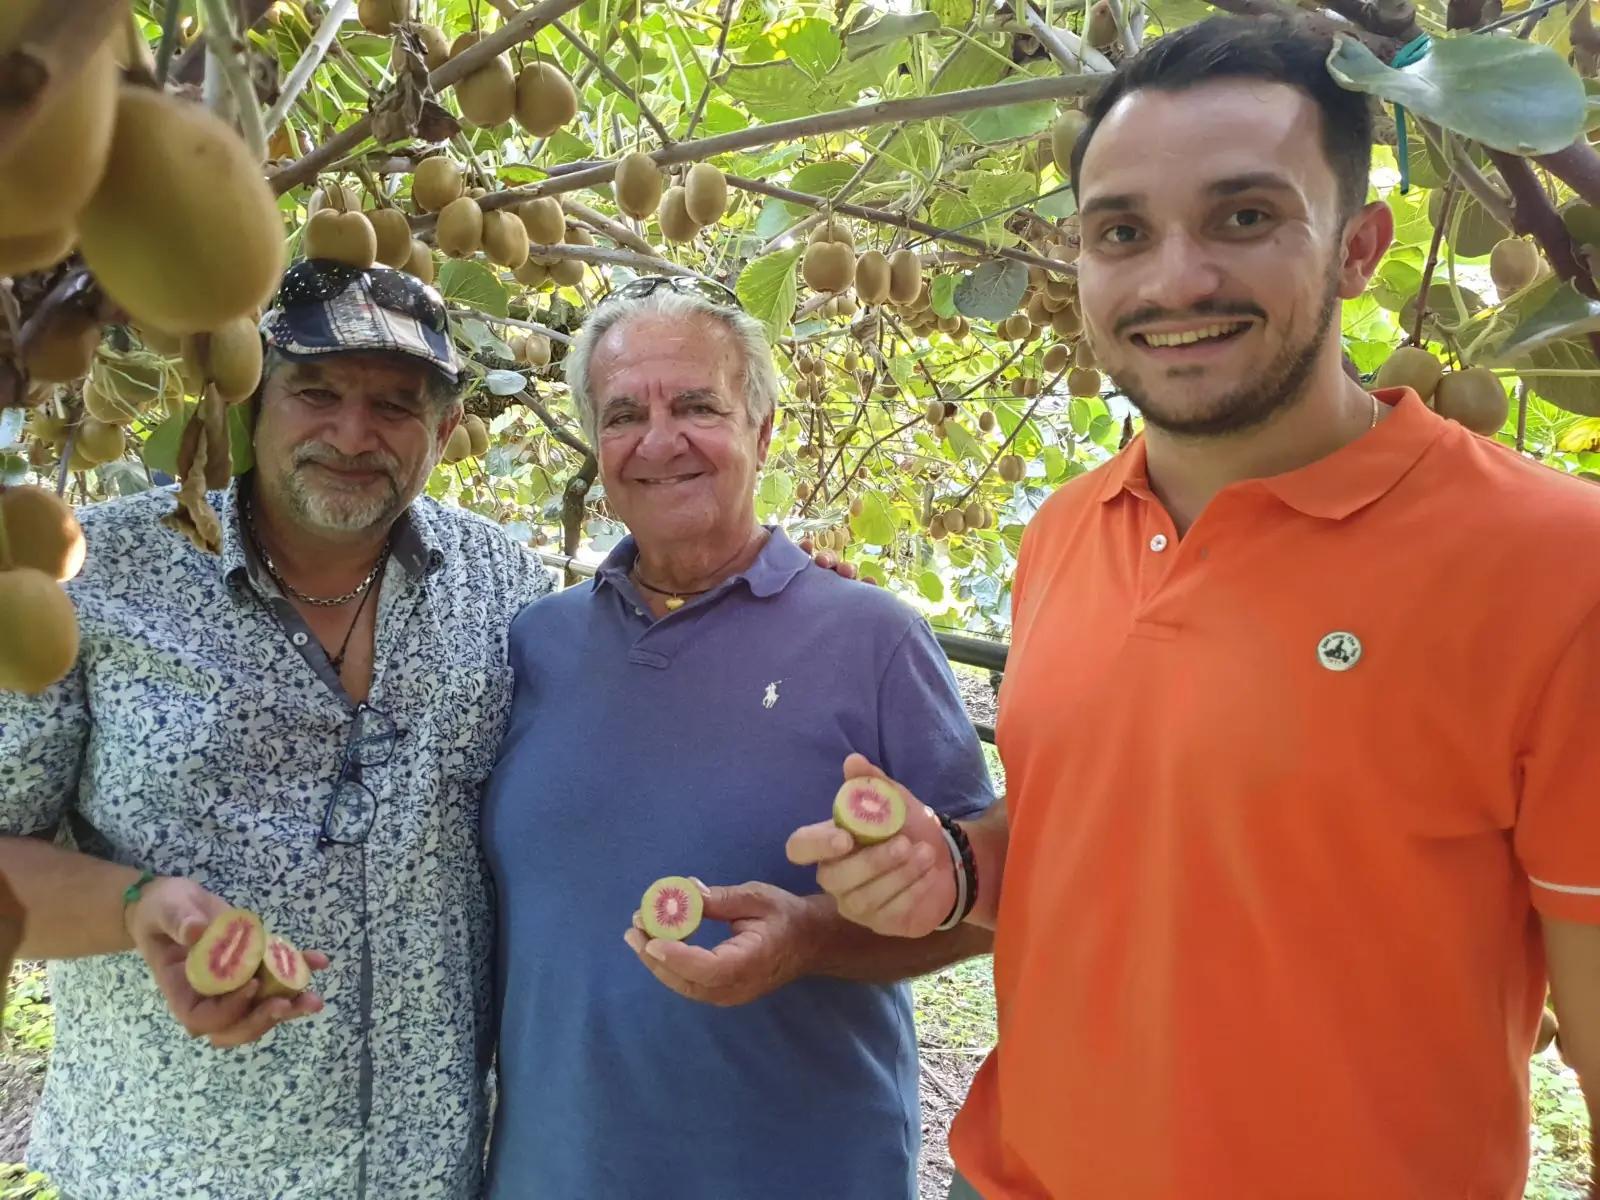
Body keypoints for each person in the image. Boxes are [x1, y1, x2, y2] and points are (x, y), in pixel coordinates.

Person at [789, 19, 1599, 1200]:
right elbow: (1115, 819)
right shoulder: (1067, 527)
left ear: (1359, 247)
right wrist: (957, 866)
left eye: (1244, 217)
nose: (1175, 279)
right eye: (1122, 232)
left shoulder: (1555, 563)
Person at [0, 261, 553, 1198]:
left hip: (428, 1175)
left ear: (447, 429)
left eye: (395, 405)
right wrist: (138, 908)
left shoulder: (505, 588)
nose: (352, 434)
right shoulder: (99, 576)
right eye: (317, 391)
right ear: (250, 399)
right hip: (166, 1170)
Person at [480, 276, 996, 1199]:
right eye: (623, 413)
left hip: (798, 1170)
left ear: (761, 432)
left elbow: (983, 905)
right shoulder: (534, 642)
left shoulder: (874, 637)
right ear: (596, 448)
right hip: (553, 1172)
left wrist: (811, 939)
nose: (659, 439)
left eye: (697, 405)